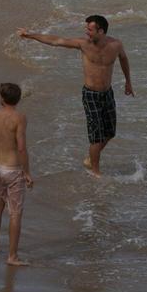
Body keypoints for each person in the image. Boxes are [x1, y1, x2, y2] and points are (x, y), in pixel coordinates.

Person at [17, 15, 133, 177]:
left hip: (107, 93)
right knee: (96, 137)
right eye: (87, 29)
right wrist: (30, 35)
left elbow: (124, 59)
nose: (86, 33)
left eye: (90, 30)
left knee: (110, 132)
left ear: (101, 31)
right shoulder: (83, 44)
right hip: (90, 94)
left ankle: (90, 159)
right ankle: (96, 172)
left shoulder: (116, 45)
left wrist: (128, 82)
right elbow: (56, 41)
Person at [0, 82, 34, 266]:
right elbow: (21, 148)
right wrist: (27, 172)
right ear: (18, 99)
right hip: (12, 169)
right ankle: (12, 256)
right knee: (15, 213)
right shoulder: (19, 118)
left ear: (1, 98)